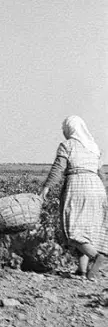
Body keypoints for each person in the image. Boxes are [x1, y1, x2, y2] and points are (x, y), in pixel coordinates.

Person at [40, 116, 107, 279]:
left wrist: (46, 188)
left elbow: (58, 169)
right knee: (88, 230)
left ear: (69, 129)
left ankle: (96, 257)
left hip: (78, 186)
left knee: (73, 230)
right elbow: (101, 173)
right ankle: (82, 270)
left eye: (64, 128)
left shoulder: (67, 145)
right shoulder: (93, 146)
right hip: (96, 188)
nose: (63, 132)